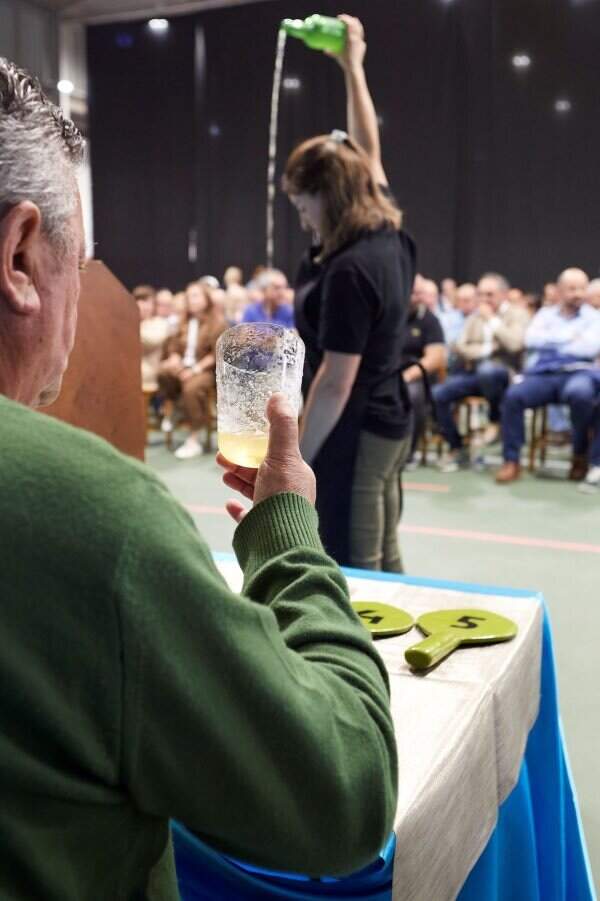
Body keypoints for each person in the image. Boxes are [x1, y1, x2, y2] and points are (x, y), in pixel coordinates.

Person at [0, 57, 397, 899]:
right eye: (83, 261)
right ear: (21, 258)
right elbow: (347, 790)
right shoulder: (98, 518)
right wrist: (289, 534)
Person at [284, 16, 415, 570]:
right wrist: (352, 65)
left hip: (357, 428)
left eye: (303, 204)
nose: (301, 217)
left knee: (358, 565)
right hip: (392, 418)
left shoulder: (348, 271)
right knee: (386, 550)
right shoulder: (382, 225)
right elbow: (368, 148)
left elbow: (335, 383)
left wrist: (293, 462)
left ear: (329, 197)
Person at [496, 268, 600, 483]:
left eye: (582, 288)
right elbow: (530, 340)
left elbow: (589, 348)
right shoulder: (545, 314)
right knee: (513, 396)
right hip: (544, 374)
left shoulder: (594, 317)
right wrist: (570, 338)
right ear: (560, 290)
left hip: (579, 373)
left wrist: (551, 341)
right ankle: (511, 461)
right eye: (572, 288)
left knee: (581, 395)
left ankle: (579, 455)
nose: (578, 294)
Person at [432, 272, 530, 471]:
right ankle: (457, 446)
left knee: (489, 371)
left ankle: (495, 419)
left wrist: (492, 320)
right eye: (481, 294)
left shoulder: (517, 314)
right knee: (437, 394)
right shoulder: (475, 316)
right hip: (474, 375)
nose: (484, 299)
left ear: (503, 294)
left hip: (505, 376)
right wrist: (489, 349)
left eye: (489, 294)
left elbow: (514, 344)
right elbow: (460, 346)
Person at [158, 280, 227, 458]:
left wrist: (194, 369)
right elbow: (173, 345)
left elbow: (215, 354)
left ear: (206, 299)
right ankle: (178, 407)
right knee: (163, 373)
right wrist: (174, 358)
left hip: (204, 370)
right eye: (188, 296)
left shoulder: (217, 323)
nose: (191, 300)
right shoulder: (183, 322)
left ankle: (194, 438)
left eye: (195, 296)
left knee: (192, 388)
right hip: (184, 366)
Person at [402, 277, 447, 463]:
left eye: (420, 293)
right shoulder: (390, 315)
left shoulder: (429, 320)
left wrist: (407, 375)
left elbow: (435, 357)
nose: (417, 297)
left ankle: (408, 453)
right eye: (414, 293)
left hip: (416, 375)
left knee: (412, 394)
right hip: (386, 371)